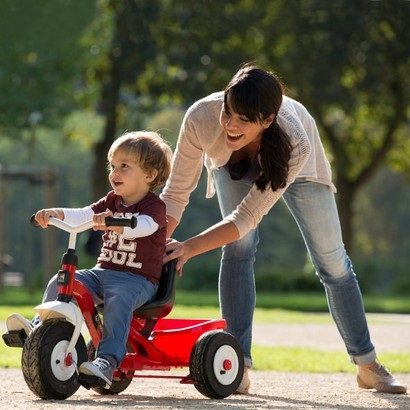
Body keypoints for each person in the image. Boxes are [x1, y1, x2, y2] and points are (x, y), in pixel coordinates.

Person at [161, 64, 407, 395]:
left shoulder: (295, 140)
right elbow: (175, 195)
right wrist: (154, 242)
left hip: (298, 167)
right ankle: (237, 365)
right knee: (238, 248)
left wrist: (190, 246)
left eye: (244, 119)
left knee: (332, 263)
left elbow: (246, 216)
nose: (231, 125)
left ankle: (367, 365)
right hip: (233, 166)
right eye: (228, 113)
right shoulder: (201, 118)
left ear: (267, 119)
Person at [6, 130, 173, 389]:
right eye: (113, 166)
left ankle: (107, 360)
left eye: (124, 167)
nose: (114, 172)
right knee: (63, 281)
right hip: (103, 273)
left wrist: (118, 224)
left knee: (119, 300)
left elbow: (145, 226)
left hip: (137, 280)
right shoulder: (112, 200)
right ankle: (38, 328)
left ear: (149, 175)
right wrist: (56, 213)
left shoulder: (154, 207)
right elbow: (83, 214)